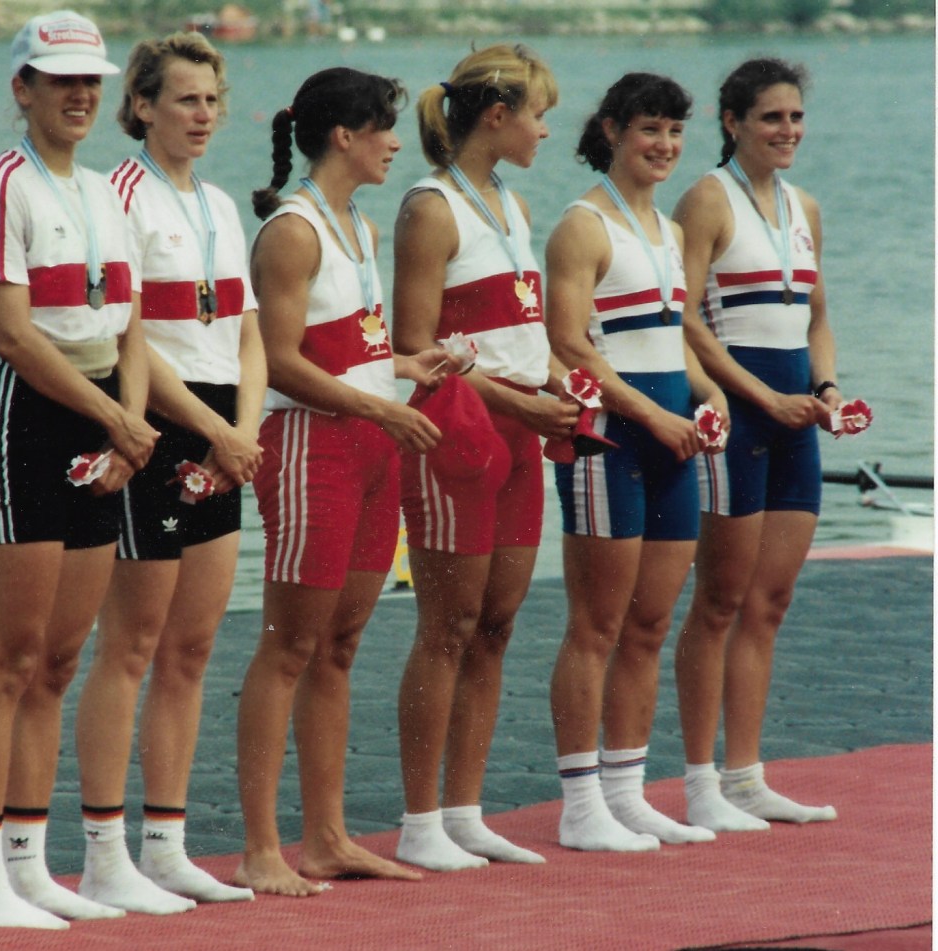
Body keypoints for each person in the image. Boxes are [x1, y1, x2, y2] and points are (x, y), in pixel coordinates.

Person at [0, 10, 159, 929]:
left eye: (92, 81)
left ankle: (32, 865)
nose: (81, 94)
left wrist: (132, 423)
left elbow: (130, 328)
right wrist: (114, 416)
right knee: (8, 657)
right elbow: (12, 329)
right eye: (60, 79)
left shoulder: (109, 191)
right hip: (26, 421)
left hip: (108, 421)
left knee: (62, 658)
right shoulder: (2, 185)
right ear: (22, 89)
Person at [233, 67, 448, 898]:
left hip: (368, 440)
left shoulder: (357, 222)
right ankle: (260, 847)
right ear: (343, 137)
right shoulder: (292, 231)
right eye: (384, 128)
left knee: (342, 644)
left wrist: (405, 366)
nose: (398, 141)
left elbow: (345, 344)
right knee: (288, 645)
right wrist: (382, 407)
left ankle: (326, 837)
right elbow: (279, 361)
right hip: (308, 445)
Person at [71, 32, 266, 914]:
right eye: (184, 100)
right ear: (142, 105)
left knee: (191, 649)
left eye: (211, 101)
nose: (201, 115)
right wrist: (211, 429)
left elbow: (250, 332)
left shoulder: (223, 205)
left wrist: (246, 430)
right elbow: (131, 338)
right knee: (132, 647)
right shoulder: (119, 194)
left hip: (227, 430)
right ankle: (106, 851)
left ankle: (169, 845)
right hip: (155, 425)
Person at [391, 44, 579, 872]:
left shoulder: (513, 203)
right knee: (448, 625)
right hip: (459, 432)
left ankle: (465, 811)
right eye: (539, 113)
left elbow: (517, 330)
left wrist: (559, 381)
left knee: (496, 626)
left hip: (522, 431)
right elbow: (413, 346)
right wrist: (521, 397)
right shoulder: (431, 207)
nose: (547, 128)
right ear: (496, 117)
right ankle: (419, 818)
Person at [545, 73, 727, 852]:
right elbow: (568, 341)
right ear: (613, 130)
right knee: (597, 623)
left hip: (671, 436)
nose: (665, 146)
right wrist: (651, 413)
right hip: (609, 439)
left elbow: (673, 337)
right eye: (650, 129)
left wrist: (709, 393)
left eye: (675, 132)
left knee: (651, 622)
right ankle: (580, 801)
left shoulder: (669, 230)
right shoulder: (582, 226)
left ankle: (628, 789)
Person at [672, 58, 840, 831]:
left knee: (769, 602)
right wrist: (759, 395)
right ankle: (700, 779)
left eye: (796, 118)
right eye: (772, 117)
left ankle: (746, 776)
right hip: (738, 415)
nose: (788, 131)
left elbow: (816, 320)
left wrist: (827, 387)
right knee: (718, 600)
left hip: (795, 419)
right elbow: (684, 320)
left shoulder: (804, 204)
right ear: (731, 120)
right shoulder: (705, 200)